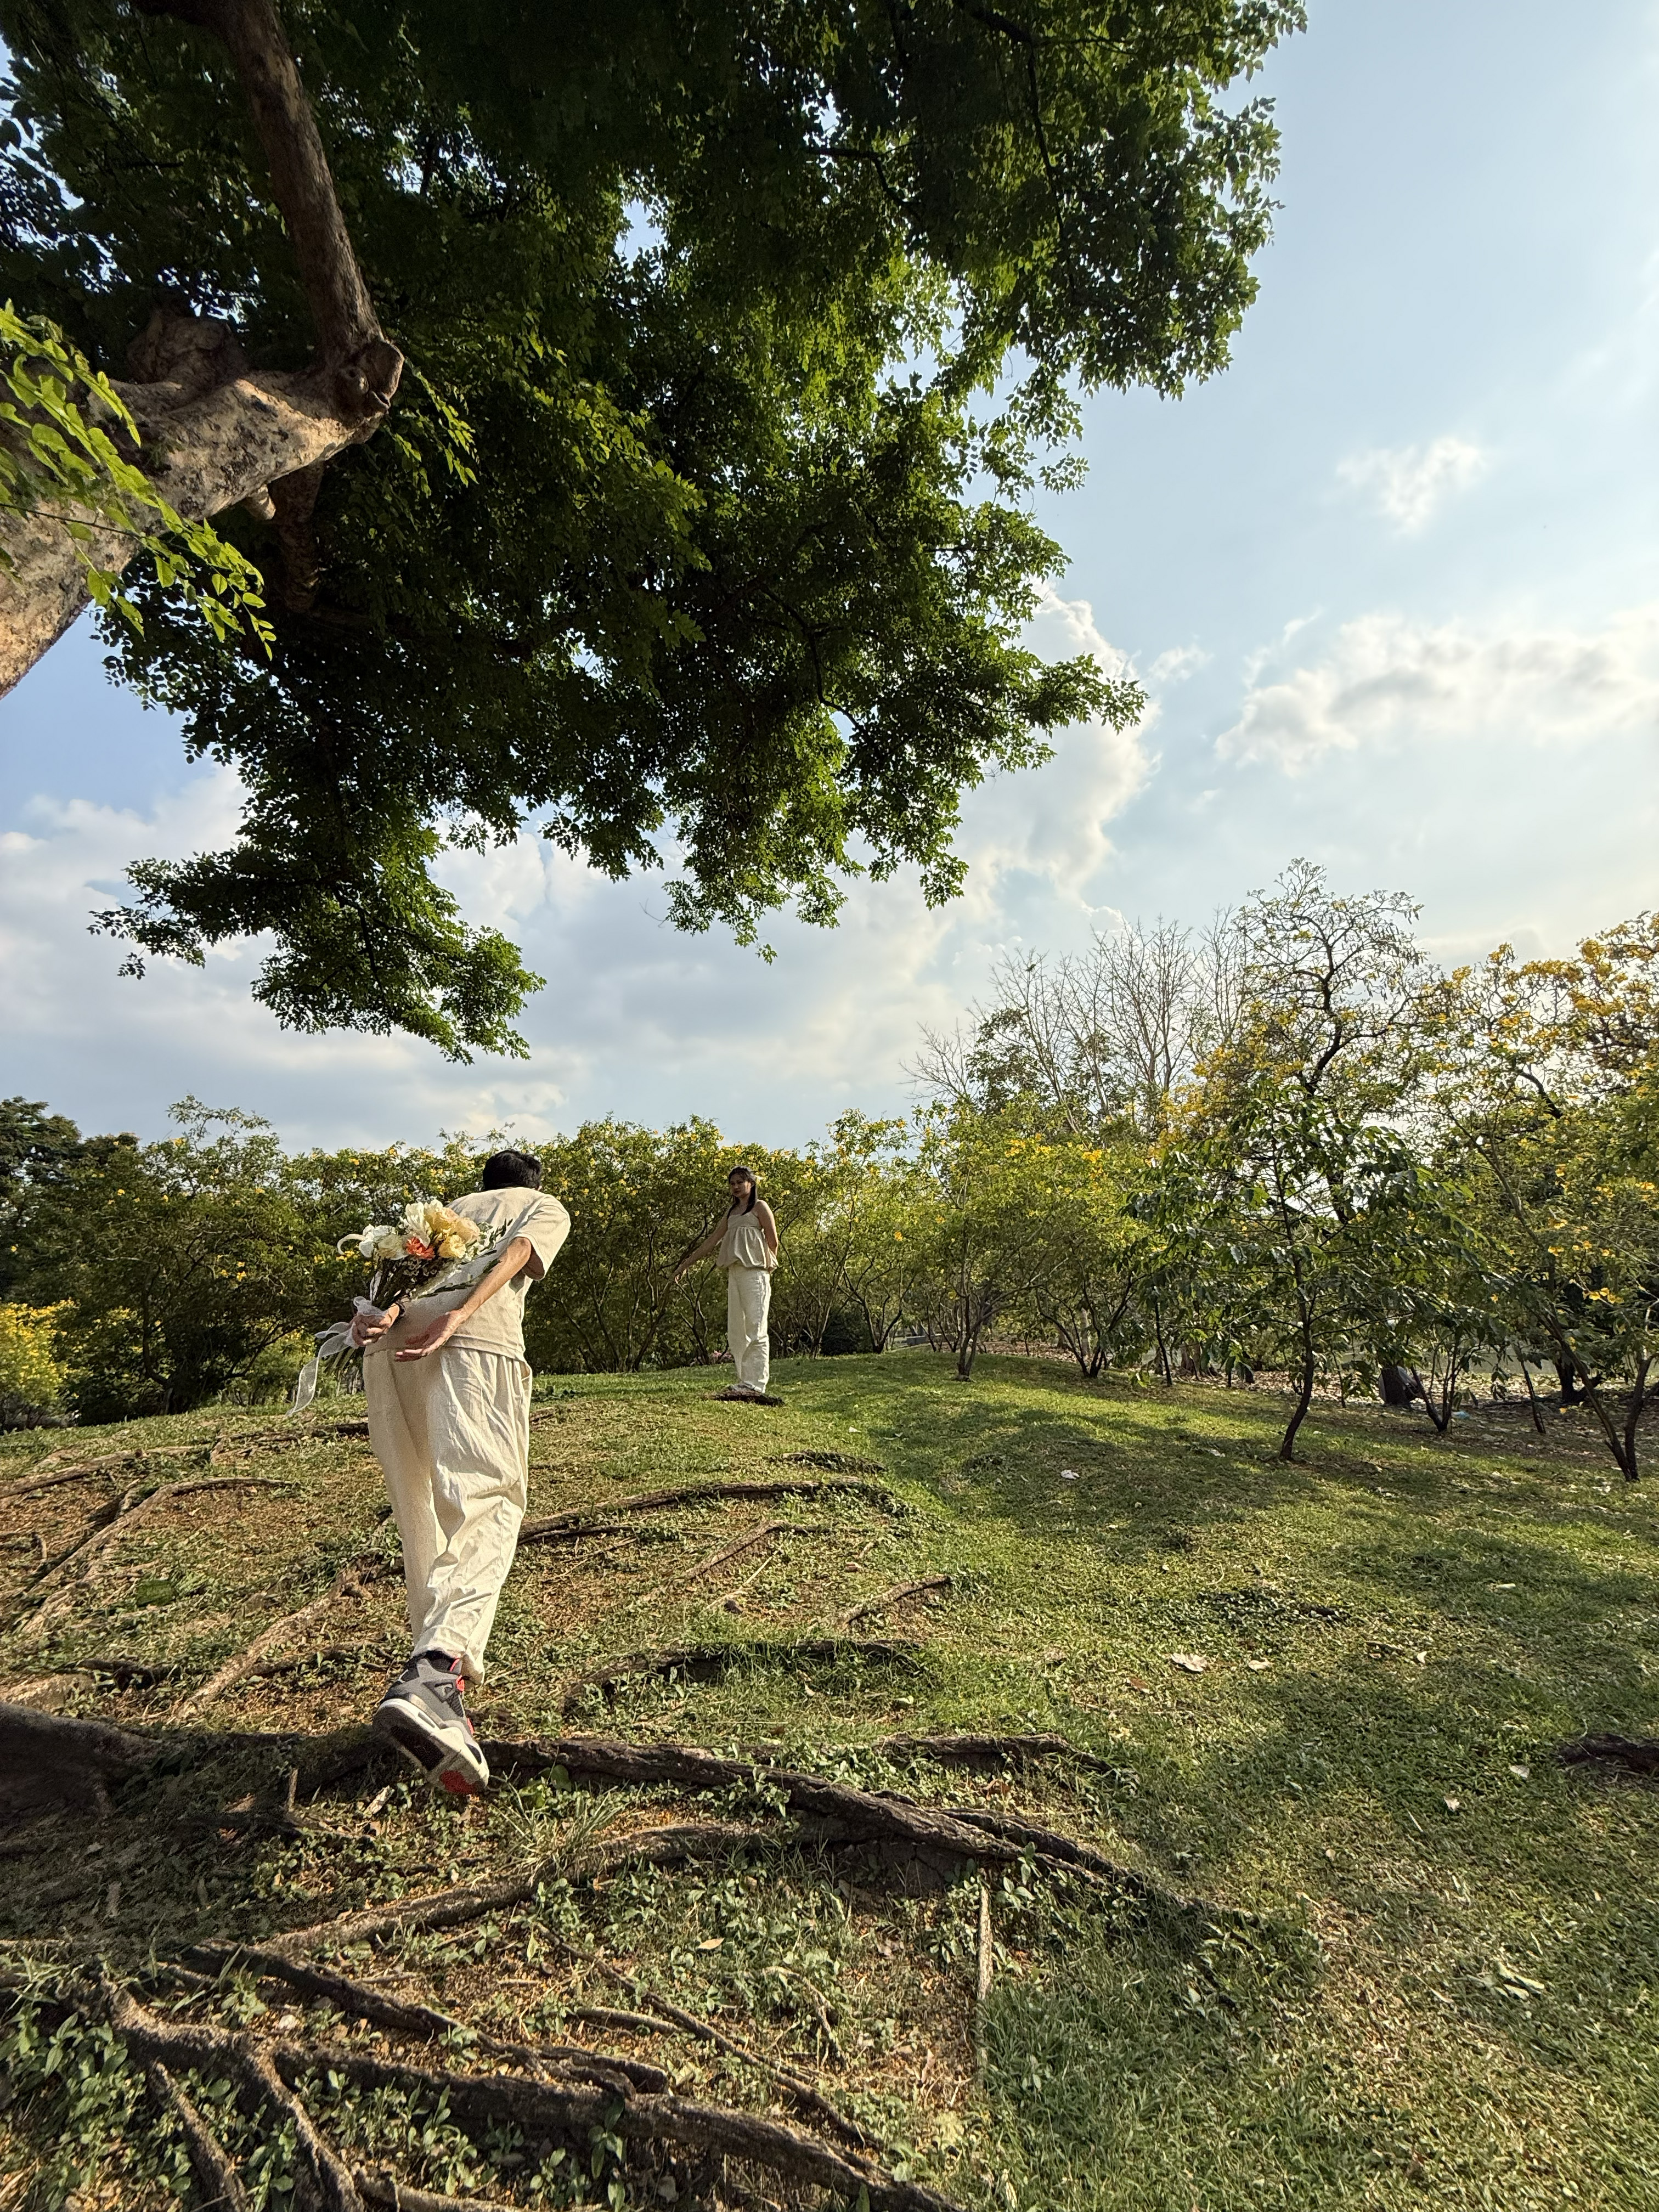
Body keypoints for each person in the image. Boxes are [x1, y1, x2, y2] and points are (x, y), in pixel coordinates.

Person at [353, 1148, 569, 1795]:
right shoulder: (542, 1204)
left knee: (422, 1515)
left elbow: (386, 1289)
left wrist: (378, 1319)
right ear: (530, 1184)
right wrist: (463, 1314)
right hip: (470, 1347)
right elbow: (517, 1254)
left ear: (481, 1184)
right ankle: (437, 1675)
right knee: (490, 1502)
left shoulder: (440, 1215)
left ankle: (434, 1690)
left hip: (391, 1356)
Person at [675, 1165, 779, 1397]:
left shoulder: (760, 1207)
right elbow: (711, 1242)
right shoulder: (731, 1214)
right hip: (736, 1272)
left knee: (756, 1327)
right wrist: (685, 1265)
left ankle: (756, 1384)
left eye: (740, 1182)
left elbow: (773, 1242)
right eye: (732, 1183)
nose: (735, 1187)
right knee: (737, 1329)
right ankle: (744, 1381)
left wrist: (766, 1267)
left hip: (756, 1272)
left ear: (751, 1184)